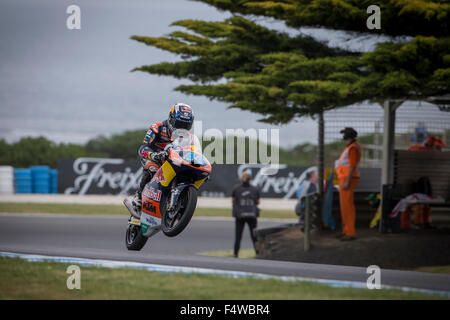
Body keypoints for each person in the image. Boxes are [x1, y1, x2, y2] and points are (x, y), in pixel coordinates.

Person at [126, 103, 194, 218]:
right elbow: (143, 147)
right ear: (171, 119)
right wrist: (153, 155)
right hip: (155, 157)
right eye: (179, 124)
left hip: (173, 160)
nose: (181, 128)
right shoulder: (157, 127)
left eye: (185, 125)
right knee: (152, 168)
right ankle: (138, 197)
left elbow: (192, 151)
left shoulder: (189, 137)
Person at [334, 127, 361, 241]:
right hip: (344, 178)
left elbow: (352, 166)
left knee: (347, 207)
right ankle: (346, 231)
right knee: (344, 206)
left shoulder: (353, 148)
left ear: (348, 136)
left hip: (347, 178)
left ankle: (350, 232)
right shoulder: (350, 147)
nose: (343, 137)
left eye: (344, 135)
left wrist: (348, 181)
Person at [232, 171, 260, 258]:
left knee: (238, 236)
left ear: (241, 179)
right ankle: (258, 253)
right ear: (250, 179)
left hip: (240, 216)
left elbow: (233, 201)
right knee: (254, 236)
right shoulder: (255, 189)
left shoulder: (236, 189)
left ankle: (235, 254)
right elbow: (258, 202)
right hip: (252, 215)